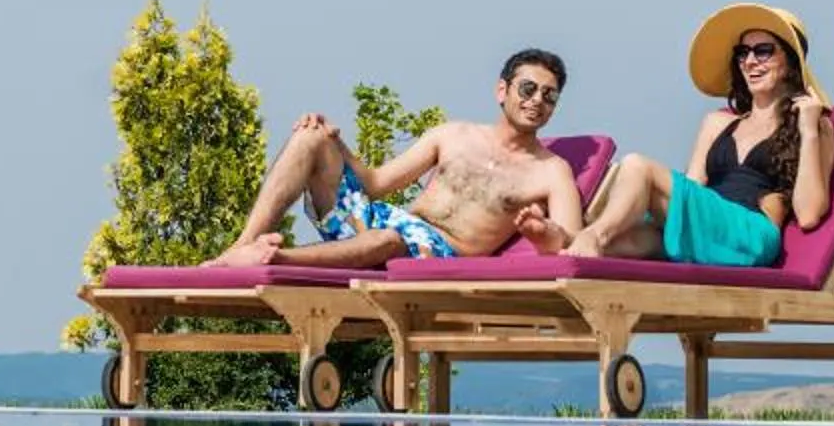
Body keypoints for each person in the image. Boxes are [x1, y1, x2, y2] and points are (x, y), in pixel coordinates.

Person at [208, 49, 587, 268]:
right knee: (311, 136)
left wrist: (543, 232)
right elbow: (375, 184)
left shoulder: (551, 172)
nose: (537, 100)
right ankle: (242, 246)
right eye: (528, 88)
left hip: (434, 254)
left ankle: (275, 260)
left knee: (389, 239)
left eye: (549, 96)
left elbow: (569, 247)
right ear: (502, 90)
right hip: (380, 221)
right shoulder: (451, 135)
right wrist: (335, 142)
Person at [532, 4, 834, 266]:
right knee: (621, 243)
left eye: (763, 50)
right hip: (705, 230)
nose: (750, 61)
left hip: (751, 235)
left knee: (638, 166)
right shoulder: (718, 123)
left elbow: (808, 215)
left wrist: (808, 131)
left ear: (790, 62)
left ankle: (591, 234)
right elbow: (693, 186)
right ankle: (569, 241)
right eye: (743, 53)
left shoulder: (813, 126)